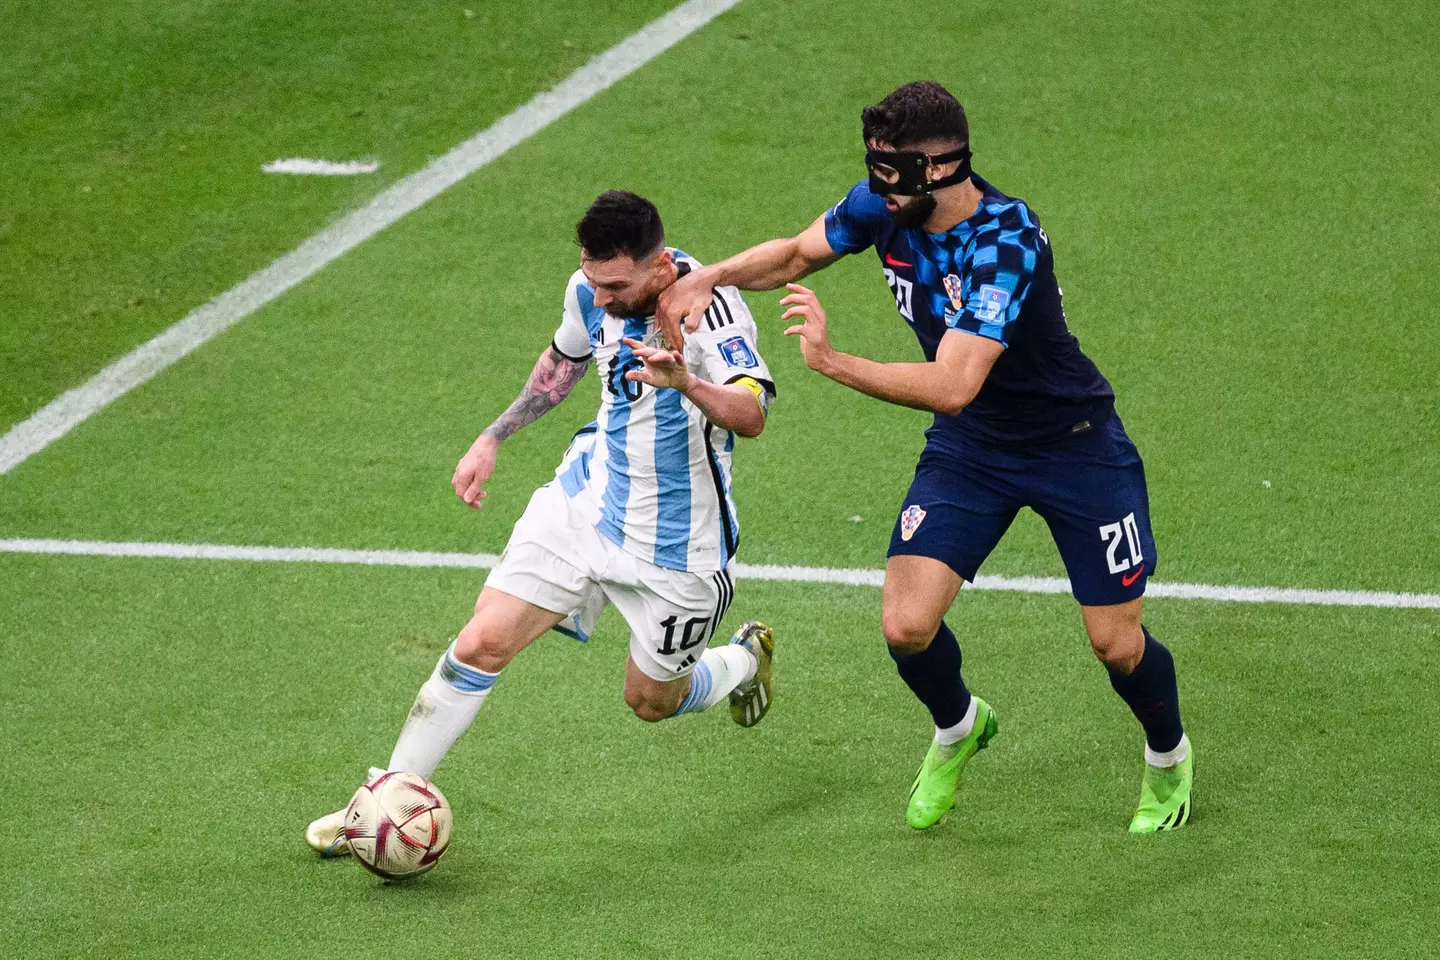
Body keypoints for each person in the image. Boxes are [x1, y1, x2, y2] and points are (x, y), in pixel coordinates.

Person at [656, 82, 1192, 833]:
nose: (879, 187)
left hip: (1075, 449)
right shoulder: (887, 205)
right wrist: (709, 277)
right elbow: (797, 252)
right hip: (974, 452)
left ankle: (1167, 758)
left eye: (894, 170)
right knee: (906, 626)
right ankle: (959, 726)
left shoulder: (1003, 239)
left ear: (941, 167)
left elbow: (954, 384)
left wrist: (832, 361)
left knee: (1115, 643)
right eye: (874, 166)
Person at [307, 190, 779, 857]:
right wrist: (492, 437)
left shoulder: (711, 307)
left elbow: (753, 414)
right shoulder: (590, 290)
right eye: (593, 280)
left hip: (678, 545)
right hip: (585, 499)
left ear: (660, 267)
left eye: (616, 285)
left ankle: (739, 662)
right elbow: (564, 362)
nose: (602, 296)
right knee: (481, 641)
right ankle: (385, 799)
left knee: (650, 700)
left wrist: (689, 385)